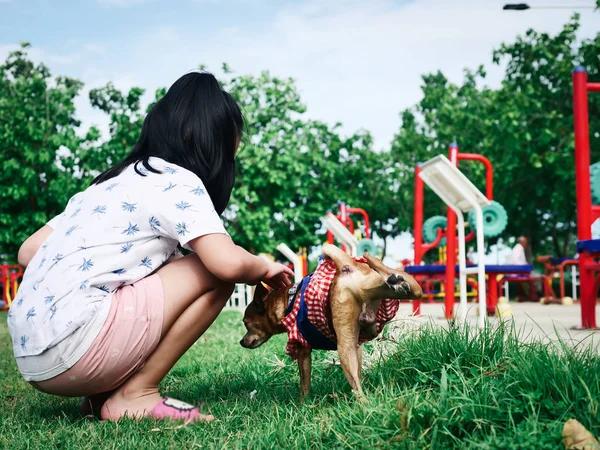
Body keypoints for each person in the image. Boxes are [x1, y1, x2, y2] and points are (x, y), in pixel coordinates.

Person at [7, 72, 294, 424]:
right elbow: (226, 263)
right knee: (212, 273)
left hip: (32, 356)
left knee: (138, 275)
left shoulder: (106, 184)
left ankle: (101, 396)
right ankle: (134, 394)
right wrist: (263, 266)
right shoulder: (178, 180)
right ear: (211, 142)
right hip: (80, 349)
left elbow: (27, 251)